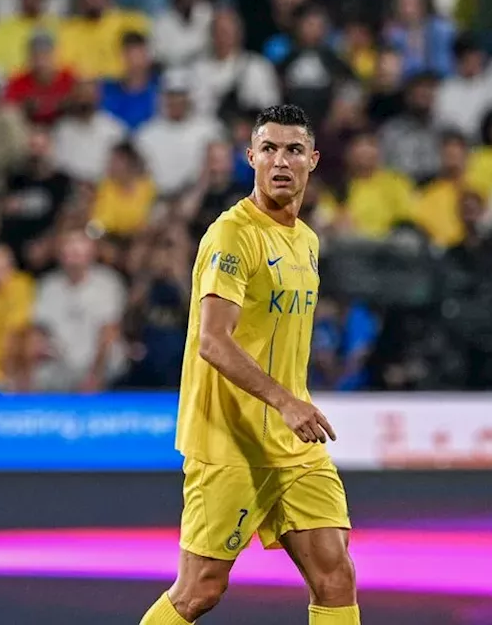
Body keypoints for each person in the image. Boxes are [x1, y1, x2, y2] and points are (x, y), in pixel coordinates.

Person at [140, 105, 359, 625]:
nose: (280, 161)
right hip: (228, 440)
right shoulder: (231, 235)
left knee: (336, 576)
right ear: (251, 158)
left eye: (293, 150)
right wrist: (285, 400)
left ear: (313, 160)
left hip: (290, 444)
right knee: (199, 591)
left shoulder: (306, 240)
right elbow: (213, 341)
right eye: (269, 149)